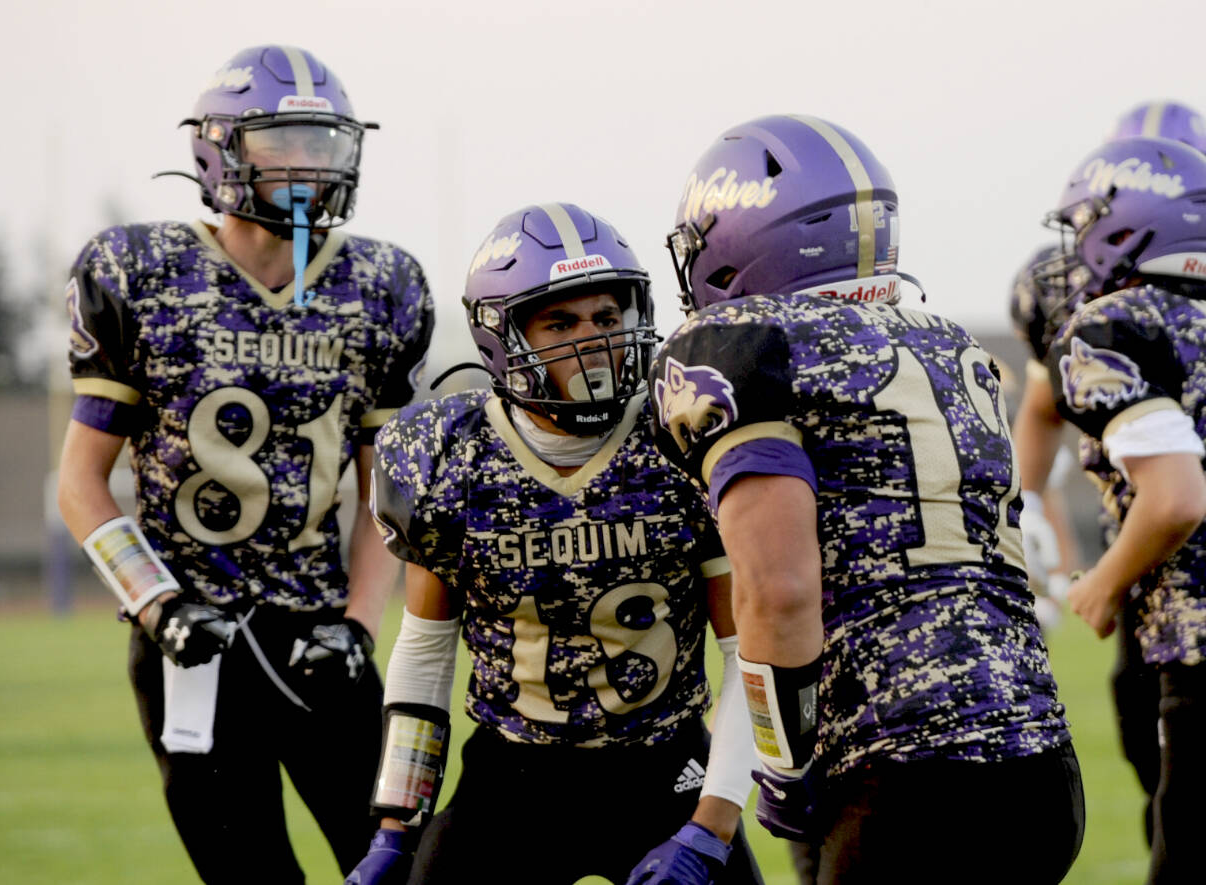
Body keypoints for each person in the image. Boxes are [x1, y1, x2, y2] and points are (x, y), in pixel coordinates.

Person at [649, 114, 1084, 883]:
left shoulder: (742, 346)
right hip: (1041, 763)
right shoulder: (953, 345)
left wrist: (781, 766)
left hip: (903, 774)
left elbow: (778, 592)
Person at [55, 45, 433, 884]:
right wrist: (157, 605)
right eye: (282, 143)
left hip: (323, 636)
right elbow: (80, 481)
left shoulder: (381, 284)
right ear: (221, 149)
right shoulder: (138, 272)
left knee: (405, 867)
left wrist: (362, 625)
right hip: (189, 643)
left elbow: (387, 491)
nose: (308, 165)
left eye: (324, 144)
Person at [348, 203, 764, 885]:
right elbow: (425, 652)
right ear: (501, 336)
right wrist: (397, 823)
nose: (593, 340)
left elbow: (745, 652)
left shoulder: (684, 433)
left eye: (607, 318)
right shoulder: (451, 454)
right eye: (561, 322)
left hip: (663, 767)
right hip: (513, 775)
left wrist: (710, 825)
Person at [1009, 99, 1206, 843]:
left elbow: (1177, 497)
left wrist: (1102, 579)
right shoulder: (1073, 296)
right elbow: (1042, 402)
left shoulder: (1111, 322)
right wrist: (1025, 505)